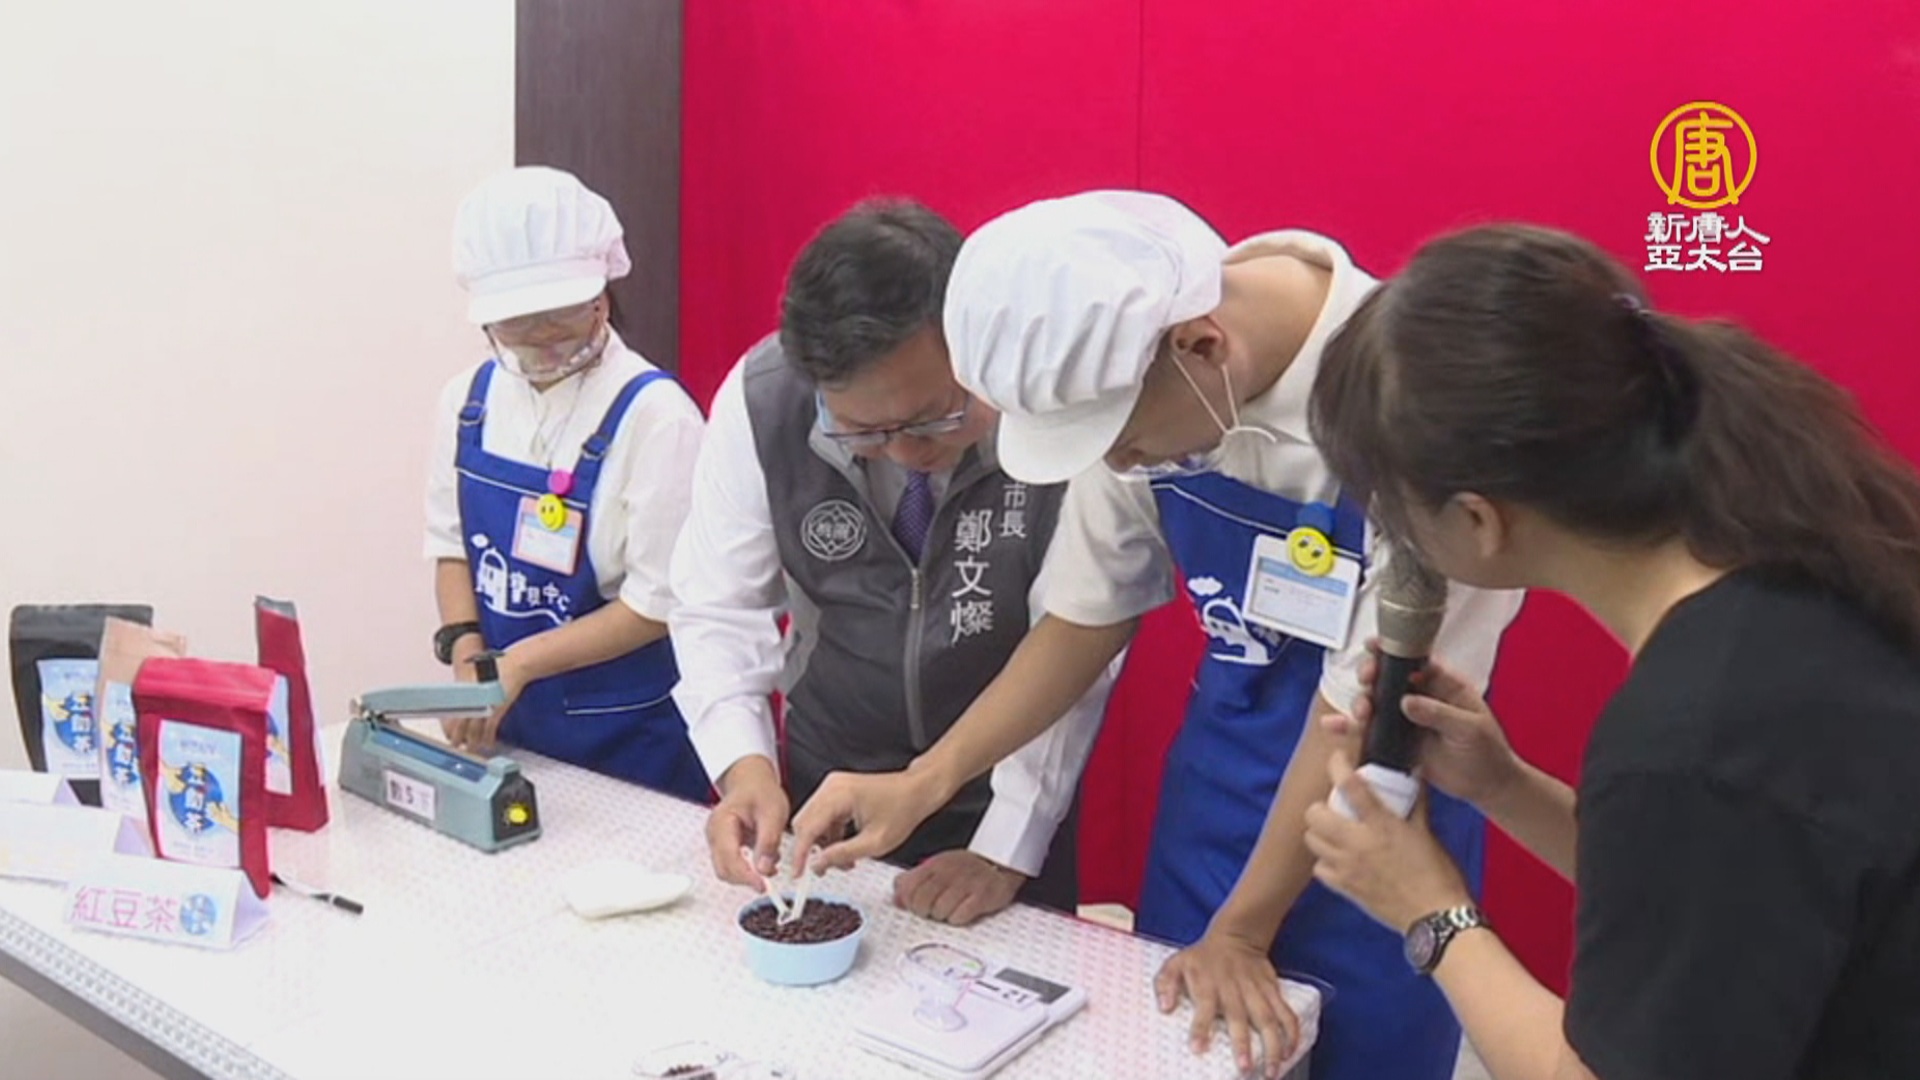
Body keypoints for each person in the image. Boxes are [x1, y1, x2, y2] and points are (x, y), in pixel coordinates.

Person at [791, 191, 1523, 1079]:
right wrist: (926, 779)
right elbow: (1084, 617)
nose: (1119, 464)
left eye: (1126, 443)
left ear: (1203, 347)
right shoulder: (1135, 372)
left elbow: (1363, 713)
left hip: (1381, 821)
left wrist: (1242, 931)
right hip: (1215, 799)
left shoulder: (1422, 415)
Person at [1299, 223, 1920, 1080]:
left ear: (1478, 519)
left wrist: (1428, 909)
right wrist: (1501, 785)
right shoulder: (1799, 542)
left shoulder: (1695, 734)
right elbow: (1726, 888)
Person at [668, 199, 1111, 922]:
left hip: (1002, 785)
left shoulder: (1052, 411)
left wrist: (1007, 846)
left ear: (975, 342)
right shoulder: (765, 401)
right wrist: (744, 768)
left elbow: (1077, 637)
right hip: (828, 779)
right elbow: (719, 605)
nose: (906, 452)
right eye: (864, 433)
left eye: (935, 418)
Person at [422, 165, 709, 801]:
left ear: (603, 294)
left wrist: (518, 664)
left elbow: (656, 604)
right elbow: (450, 547)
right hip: (508, 730)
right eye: (519, 322)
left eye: (562, 315)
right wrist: (468, 656)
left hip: (629, 739)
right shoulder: (467, 401)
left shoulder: (657, 416)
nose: (543, 338)